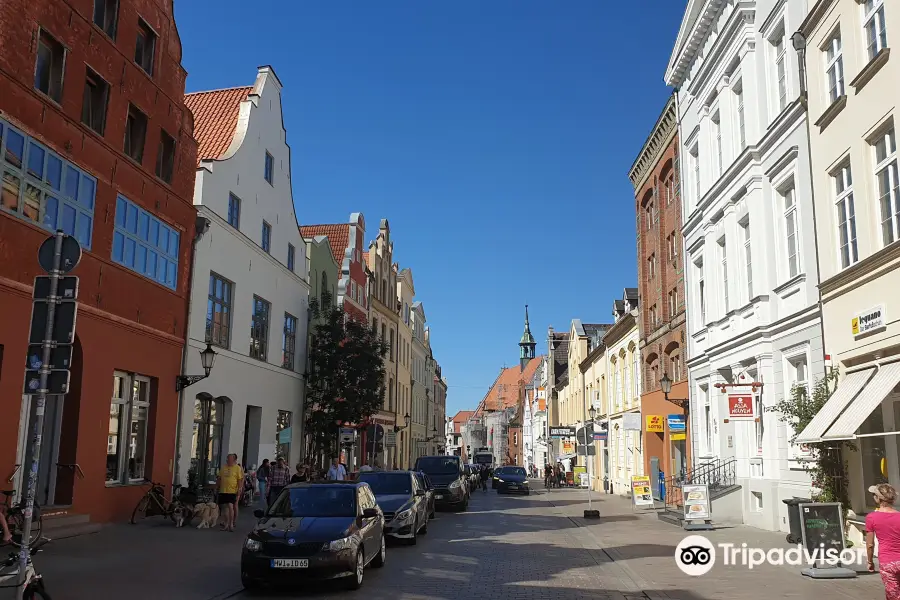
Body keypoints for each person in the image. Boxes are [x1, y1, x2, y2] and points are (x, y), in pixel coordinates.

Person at [867, 483, 900, 599]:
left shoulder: (871, 517)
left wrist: (870, 562)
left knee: (893, 596)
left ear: (877, 498)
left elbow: (870, 544)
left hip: (887, 562)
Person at [216, 453, 243, 532]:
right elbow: (219, 478)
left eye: (230, 459)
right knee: (225, 508)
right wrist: (216, 486)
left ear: (234, 460)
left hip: (232, 491)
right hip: (223, 490)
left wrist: (239, 489)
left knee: (231, 506)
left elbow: (240, 480)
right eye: (227, 459)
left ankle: (231, 524)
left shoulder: (237, 468)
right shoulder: (223, 467)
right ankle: (226, 523)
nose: (228, 460)